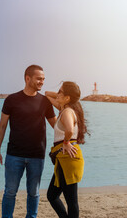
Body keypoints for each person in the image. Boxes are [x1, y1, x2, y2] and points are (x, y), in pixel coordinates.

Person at [0, 65, 56, 218]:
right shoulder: (12, 99)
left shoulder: (45, 102)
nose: (42, 82)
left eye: (43, 79)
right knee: (10, 192)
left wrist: (69, 140)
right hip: (14, 155)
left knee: (34, 193)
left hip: (37, 155)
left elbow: (56, 125)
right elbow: (2, 126)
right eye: (39, 78)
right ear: (27, 78)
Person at [45, 81, 88, 218]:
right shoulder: (63, 108)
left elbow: (69, 129)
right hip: (63, 158)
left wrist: (66, 142)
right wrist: (61, 95)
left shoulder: (67, 112)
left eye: (60, 91)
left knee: (71, 201)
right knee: (52, 195)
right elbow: (46, 94)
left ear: (67, 98)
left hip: (69, 157)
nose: (57, 93)